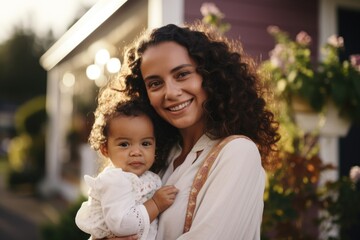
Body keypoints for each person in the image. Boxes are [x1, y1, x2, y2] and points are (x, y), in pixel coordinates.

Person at [104, 21, 280, 240]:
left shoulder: (238, 153)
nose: (171, 92)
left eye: (182, 75)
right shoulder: (157, 158)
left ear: (209, 76)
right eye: (155, 84)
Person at [75, 95, 179, 240]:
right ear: (105, 149)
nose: (136, 152)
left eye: (145, 143)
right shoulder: (115, 180)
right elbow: (122, 225)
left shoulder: (146, 177)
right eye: (124, 144)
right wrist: (155, 204)